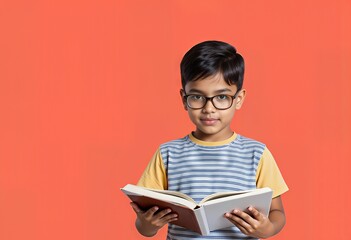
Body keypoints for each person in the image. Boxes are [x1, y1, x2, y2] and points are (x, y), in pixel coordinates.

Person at [130, 40, 289, 239]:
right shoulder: (168, 154)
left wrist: (267, 229)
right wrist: (148, 225)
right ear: (184, 99)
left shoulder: (256, 153)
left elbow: (277, 213)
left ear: (238, 99)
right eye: (197, 97)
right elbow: (144, 227)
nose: (209, 108)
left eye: (221, 97)